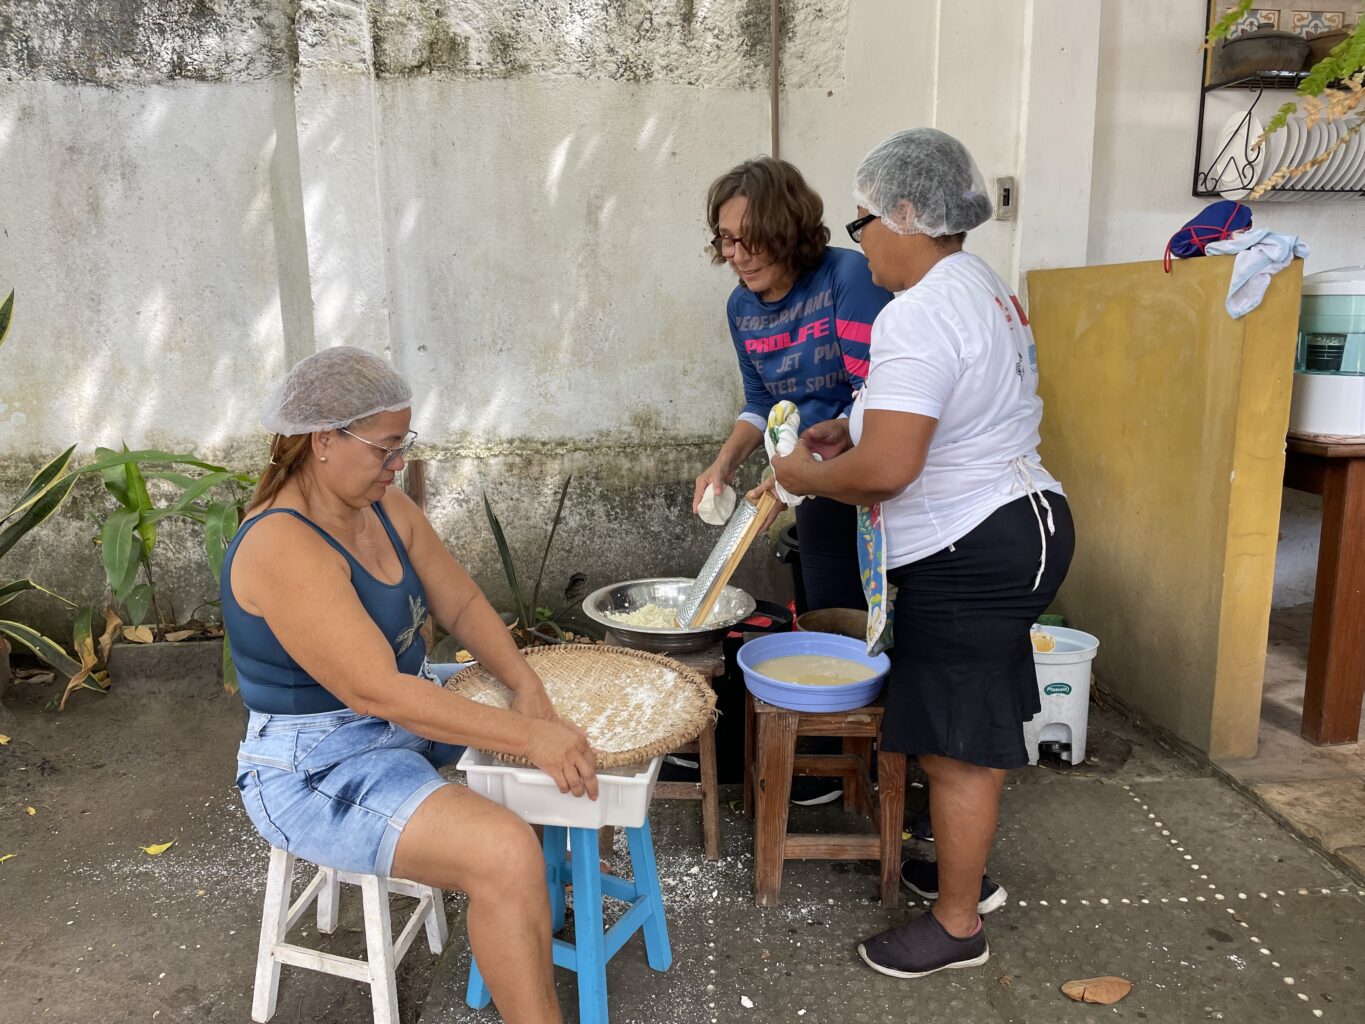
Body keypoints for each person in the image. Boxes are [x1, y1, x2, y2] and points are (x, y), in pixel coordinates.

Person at [769, 128, 1075, 978]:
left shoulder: (916, 311)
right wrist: (851, 426)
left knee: (956, 742)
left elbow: (890, 471)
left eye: (862, 219)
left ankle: (954, 925)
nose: (855, 238)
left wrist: (802, 471)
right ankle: (961, 877)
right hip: (1016, 527)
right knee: (965, 721)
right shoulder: (977, 286)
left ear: (905, 213)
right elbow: (922, 418)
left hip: (969, 546)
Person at [225, 347, 596, 1024]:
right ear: (325, 440)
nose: (398, 465)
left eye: (403, 445)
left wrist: (527, 689)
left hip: (401, 707)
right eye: (386, 448)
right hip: (315, 763)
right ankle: (517, 900)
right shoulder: (283, 544)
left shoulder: (382, 507)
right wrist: (528, 734)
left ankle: (524, 913)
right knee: (505, 851)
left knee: (560, 714)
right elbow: (379, 695)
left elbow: (459, 606)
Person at [697, 156, 894, 614]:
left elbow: (878, 395)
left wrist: (786, 484)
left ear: (790, 230)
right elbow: (763, 400)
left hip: (874, 475)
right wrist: (723, 464)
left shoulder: (848, 279)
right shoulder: (741, 308)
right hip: (815, 486)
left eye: (754, 239)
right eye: (728, 239)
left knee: (888, 619)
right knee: (832, 615)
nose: (738, 255)